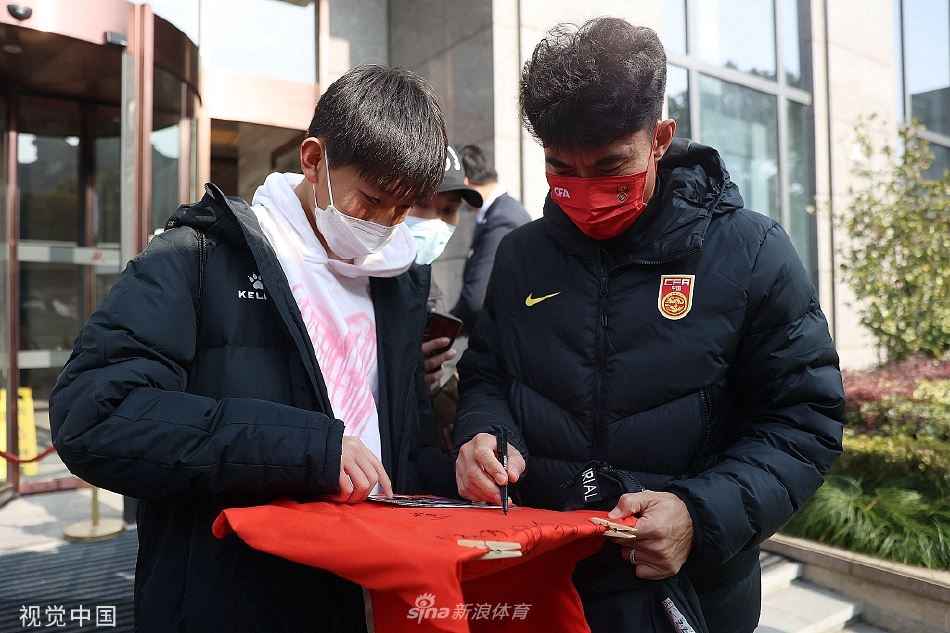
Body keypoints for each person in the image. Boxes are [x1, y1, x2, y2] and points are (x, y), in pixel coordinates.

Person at [453, 18, 845, 633]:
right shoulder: (522, 255)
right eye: (562, 168)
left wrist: (699, 514)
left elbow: (804, 420)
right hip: (539, 583)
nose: (585, 192)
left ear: (660, 138)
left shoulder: (750, 252)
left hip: (686, 596)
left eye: (610, 166)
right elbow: (487, 375)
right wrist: (484, 433)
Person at [50, 64, 454, 633]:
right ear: (313, 160)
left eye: (403, 208)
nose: (383, 224)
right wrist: (306, 447)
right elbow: (94, 415)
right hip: (237, 596)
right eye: (372, 198)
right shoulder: (198, 255)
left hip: (375, 591)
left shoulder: (397, 283)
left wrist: (467, 462)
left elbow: (401, 444)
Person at [450, 144, 530, 332]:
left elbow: (476, 299)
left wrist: (446, 326)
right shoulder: (500, 212)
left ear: (465, 183)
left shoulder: (502, 218)